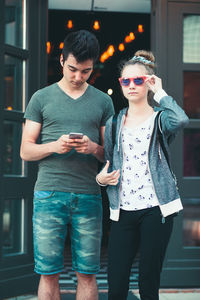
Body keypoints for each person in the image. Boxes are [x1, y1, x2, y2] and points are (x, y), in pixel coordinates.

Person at [20, 30, 114, 300]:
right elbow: (25, 150)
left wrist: (93, 147)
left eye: (85, 71)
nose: (77, 77)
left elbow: (109, 155)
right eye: (72, 69)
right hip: (49, 194)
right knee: (48, 272)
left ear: (93, 66)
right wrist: (54, 146)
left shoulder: (103, 101)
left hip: (88, 195)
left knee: (87, 273)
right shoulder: (41, 98)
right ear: (61, 60)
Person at [96, 50, 189, 300]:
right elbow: (108, 164)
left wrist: (160, 93)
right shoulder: (115, 122)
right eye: (125, 81)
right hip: (123, 210)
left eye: (138, 80)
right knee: (116, 285)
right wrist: (100, 179)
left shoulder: (160, 119)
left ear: (148, 82)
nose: (131, 85)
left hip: (156, 209)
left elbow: (180, 119)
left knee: (148, 283)